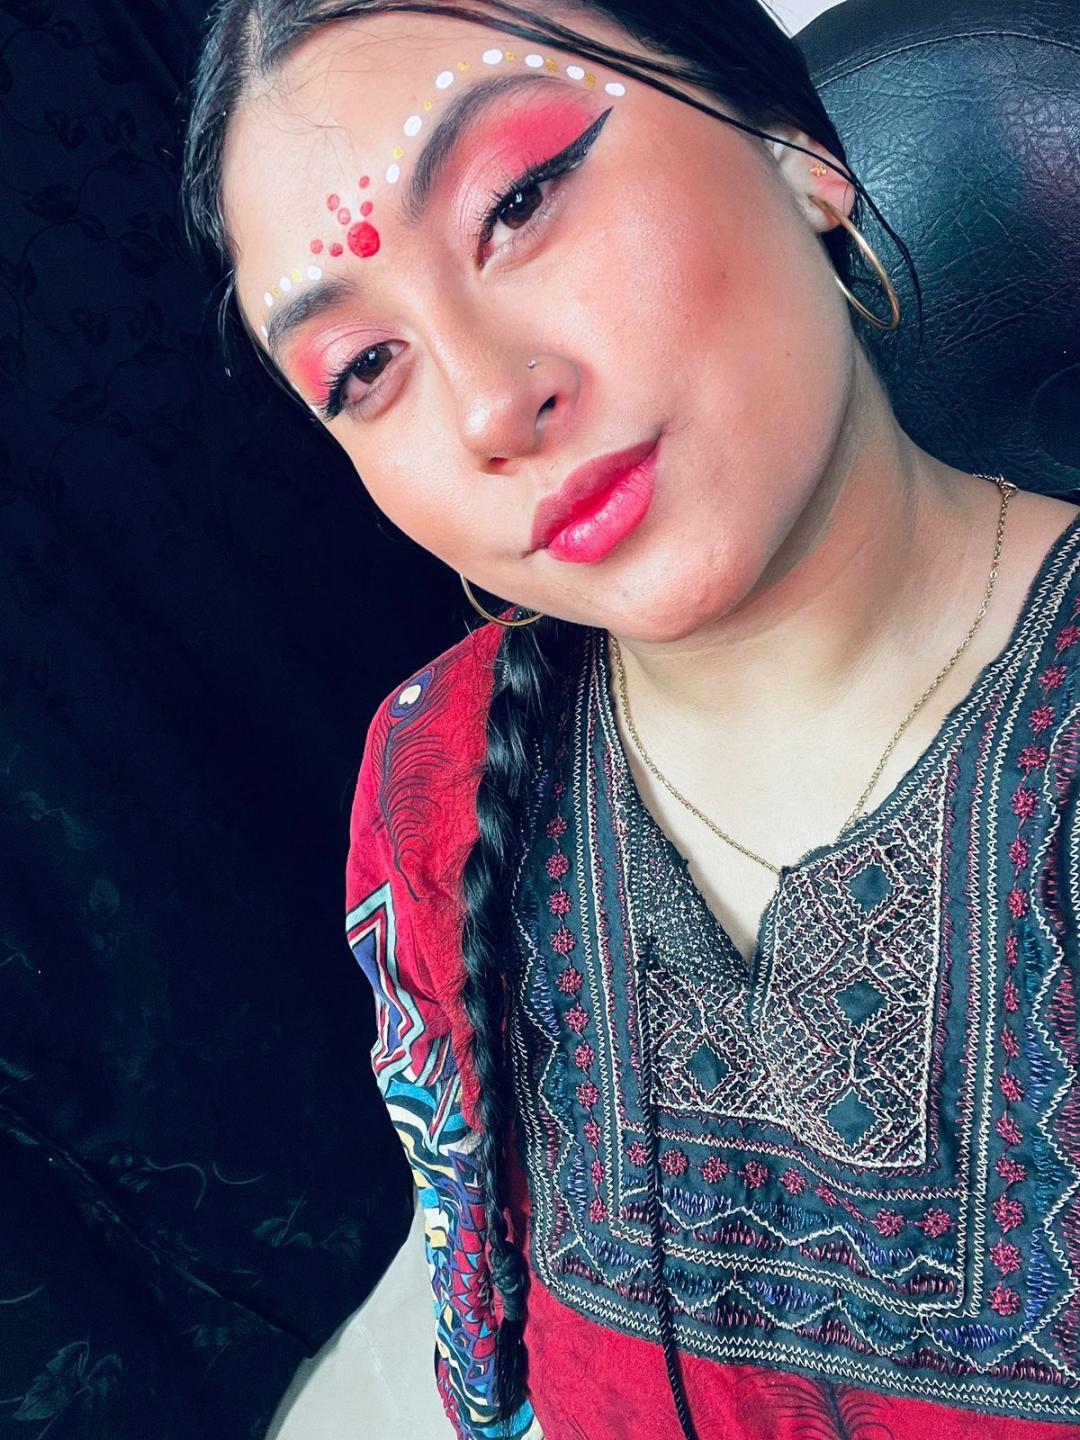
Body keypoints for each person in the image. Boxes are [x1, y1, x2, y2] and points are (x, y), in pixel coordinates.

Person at [180, 1, 1080, 1435]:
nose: (489, 405)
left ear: (794, 151)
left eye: (519, 202)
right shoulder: (431, 780)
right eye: (363, 369)